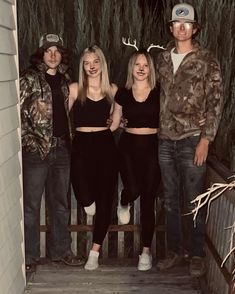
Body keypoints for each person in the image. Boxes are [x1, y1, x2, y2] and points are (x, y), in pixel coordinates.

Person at [155, 3, 224, 277]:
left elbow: (216, 102)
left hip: (191, 139)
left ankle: (196, 254)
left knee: (194, 198)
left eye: (187, 24)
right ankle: (175, 251)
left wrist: (206, 139)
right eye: (176, 23)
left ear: (194, 28)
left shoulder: (207, 59)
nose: (181, 28)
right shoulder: (161, 60)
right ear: (171, 28)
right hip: (165, 140)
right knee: (170, 199)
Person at [20, 33, 85, 272]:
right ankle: (29, 256)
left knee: (60, 204)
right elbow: (16, 112)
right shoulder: (28, 79)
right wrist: (28, 140)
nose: (53, 55)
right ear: (41, 53)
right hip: (36, 152)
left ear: (61, 54)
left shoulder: (66, 80)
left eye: (57, 50)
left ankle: (61, 251)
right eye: (48, 50)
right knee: (31, 205)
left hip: (61, 150)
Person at [111, 49, 161, 271]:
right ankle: (124, 199)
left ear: (151, 69)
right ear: (131, 68)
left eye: (146, 65)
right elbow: (114, 123)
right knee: (133, 189)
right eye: (137, 64)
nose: (141, 68)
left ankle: (146, 252)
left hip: (152, 148)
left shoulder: (160, 92)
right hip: (128, 148)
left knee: (149, 200)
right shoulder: (122, 93)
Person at [69, 45, 118, 270]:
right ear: (82, 66)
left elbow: (118, 122)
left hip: (105, 146)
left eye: (95, 61)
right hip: (80, 145)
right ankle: (89, 203)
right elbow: (61, 120)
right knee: (82, 189)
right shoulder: (74, 89)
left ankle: (94, 253)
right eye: (87, 62)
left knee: (106, 200)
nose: (91, 66)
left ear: (102, 64)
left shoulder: (113, 91)